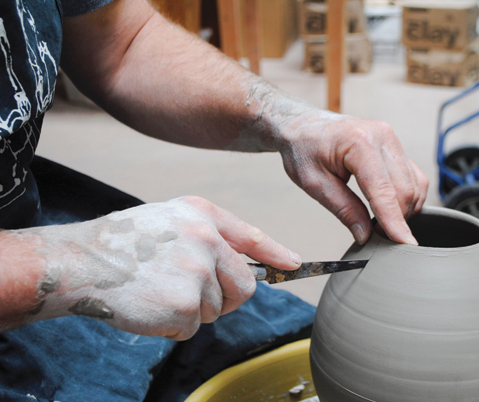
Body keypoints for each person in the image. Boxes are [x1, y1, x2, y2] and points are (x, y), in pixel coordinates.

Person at [0, 0, 428, 400]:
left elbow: (122, 46)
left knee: (291, 333)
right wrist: (71, 264)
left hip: (22, 203)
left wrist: (289, 118)